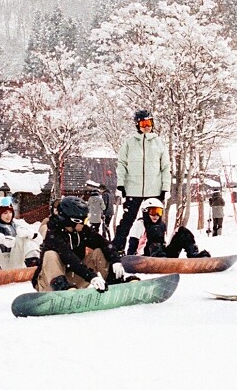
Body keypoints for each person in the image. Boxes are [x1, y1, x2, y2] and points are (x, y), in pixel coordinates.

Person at [33, 196, 135, 292]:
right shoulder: (53, 234)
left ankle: (115, 282)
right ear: (72, 220)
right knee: (50, 255)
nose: (86, 223)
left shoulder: (82, 231)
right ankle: (63, 289)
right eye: (84, 220)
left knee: (99, 252)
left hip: (72, 280)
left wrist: (115, 260)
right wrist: (91, 277)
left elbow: (103, 243)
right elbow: (69, 258)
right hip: (49, 282)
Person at [113, 109, 171, 252]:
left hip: (154, 190)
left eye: (149, 122)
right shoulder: (129, 143)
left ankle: (155, 249)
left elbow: (165, 167)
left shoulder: (159, 143)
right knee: (127, 221)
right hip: (133, 189)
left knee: (154, 222)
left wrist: (165, 188)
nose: (147, 126)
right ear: (137, 125)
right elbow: (122, 164)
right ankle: (117, 249)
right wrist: (121, 184)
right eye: (143, 123)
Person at [125, 197, 210, 258]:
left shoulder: (162, 225)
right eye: (153, 212)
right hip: (146, 256)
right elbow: (133, 243)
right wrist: (130, 259)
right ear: (145, 211)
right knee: (155, 229)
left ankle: (193, 254)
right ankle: (158, 255)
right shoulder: (140, 224)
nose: (156, 215)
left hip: (163, 254)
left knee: (182, 231)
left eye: (159, 212)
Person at [0, 196, 41, 270]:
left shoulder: (18, 224)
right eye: (5, 213)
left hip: (15, 261)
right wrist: (2, 239)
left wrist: (31, 234)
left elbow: (40, 240)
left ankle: (33, 262)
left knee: (26, 238)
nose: (9, 215)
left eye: (10, 212)